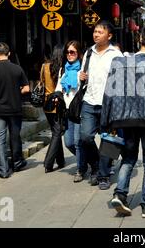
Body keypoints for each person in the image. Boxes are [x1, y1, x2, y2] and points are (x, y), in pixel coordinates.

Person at [102, 24, 145, 218]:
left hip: (126, 119)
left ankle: (120, 194)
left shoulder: (121, 62)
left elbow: (109, 93)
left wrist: (106, 120)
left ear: (140, 39)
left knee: (129, 158)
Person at [79, 21, 123, 190]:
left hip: (109, 103)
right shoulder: (89, 52)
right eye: (95, 31)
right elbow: (83, 75)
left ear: (109, 36)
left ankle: (103, 175)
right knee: (85, 137)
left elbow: (122, 79)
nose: (96, 34)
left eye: (100, 32)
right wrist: (81, 76)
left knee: (109, 140)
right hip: (89, 101)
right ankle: (97, 165)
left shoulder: (115, 54)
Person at [0, 42, 30, 178]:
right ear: (9, 54)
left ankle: (3, 170)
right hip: (15, 108)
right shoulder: (17, 69)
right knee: (15, 137)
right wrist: (16, 91)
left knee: (0, 139)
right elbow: (26, 88)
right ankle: (17, 163)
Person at [55, 41, 89, 182]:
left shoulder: (83, 70)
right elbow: (59, 86)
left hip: (79, 109)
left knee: (77, 142)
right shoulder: (63, 70)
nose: (69, 55)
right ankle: (87, 159)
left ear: (79, 53)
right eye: (67, 52)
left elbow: (89, 88)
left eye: (72, 52)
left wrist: (86, 79)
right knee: (68, 142)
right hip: (67, 110)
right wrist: (56, 96)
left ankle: (80, 169)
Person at [42, 45, 65, 173]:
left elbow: (41, 82)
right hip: (57, 103)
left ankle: (60, 160)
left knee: (55, 130)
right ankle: (48, 162)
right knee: (57, 131)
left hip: (46, 102)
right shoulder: (62, 69)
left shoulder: (44, 67)